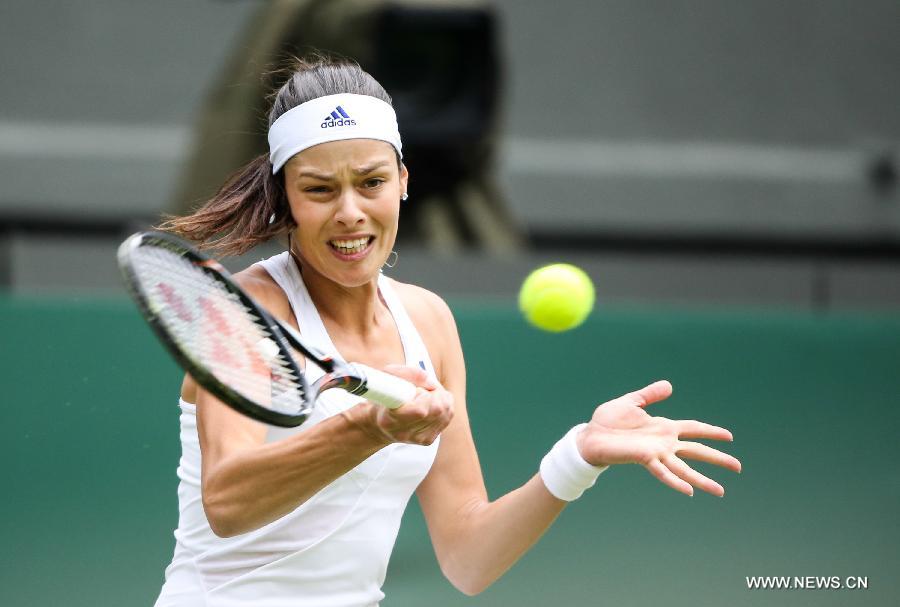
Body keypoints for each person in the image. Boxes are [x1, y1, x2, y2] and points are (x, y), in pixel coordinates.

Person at [154, 56, 741, 607]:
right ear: (285, 197)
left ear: (404, 181)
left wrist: (577, 458)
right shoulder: (243, 315)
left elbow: (468, 556)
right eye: (319, 189)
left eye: (371, 182)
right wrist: (369, 430)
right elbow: (228, 502)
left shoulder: (428, 321)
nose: (351, 211)